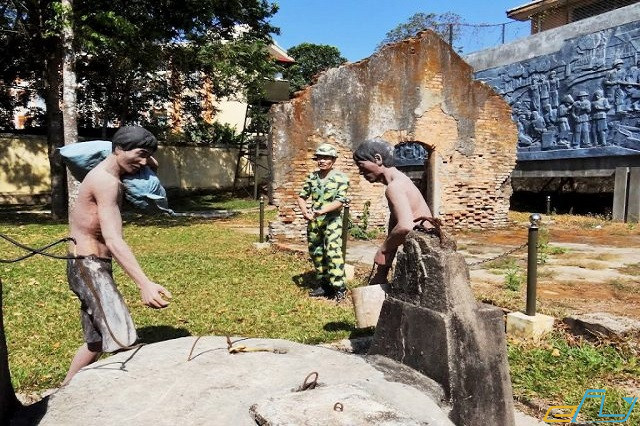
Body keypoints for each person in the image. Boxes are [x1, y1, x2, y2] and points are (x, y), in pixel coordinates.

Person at [63, 126, 172, 385]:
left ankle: (62, 391)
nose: (144, 162)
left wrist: (144, 154)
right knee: (124, 338)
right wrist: (144, 283)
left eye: (147, 156)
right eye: (140, 154)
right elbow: (113, 239)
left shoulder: (111, 168)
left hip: (90, 265)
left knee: (96, 341)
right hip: (88, 266)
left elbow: (149, 161)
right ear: (118, 149)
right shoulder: (106, 182)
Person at [352, 139, 433, 285]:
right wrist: (381, 273)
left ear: (378, 159)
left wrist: (382, 249)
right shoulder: (402, 181)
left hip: (427, 252)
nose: (360, 172)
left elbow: (405, 226)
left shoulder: (395, 187)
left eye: (361, 165)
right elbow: (395, 230)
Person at [297, 143, 349, 301]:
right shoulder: (312, 177)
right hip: (314, 221)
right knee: (317, 253)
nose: (322, 161)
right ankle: (324, 284)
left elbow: (340, 200)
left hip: (332, 220)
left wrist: (323, 210)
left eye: (326, 158)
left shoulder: (341, 178)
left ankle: (339, 287)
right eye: (319, 158)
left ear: (333, 160)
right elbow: (302, 196)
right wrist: (305, 211)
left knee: (333, 251)